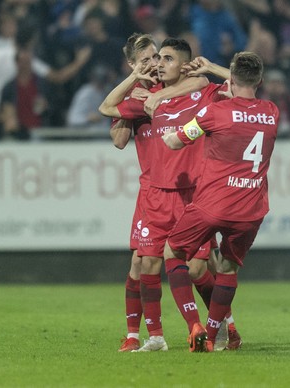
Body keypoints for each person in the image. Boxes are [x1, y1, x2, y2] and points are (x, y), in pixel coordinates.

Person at [100, 37, 239, 352]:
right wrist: (137, 85)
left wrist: (162, 91)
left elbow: (210, 81)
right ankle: (148, 336)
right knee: (142, 264)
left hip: (194, 190)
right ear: (134, 64)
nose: (155, 64)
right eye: (148, 59)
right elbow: (118, 137)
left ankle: (223, 324)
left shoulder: (191, 91)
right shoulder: (139, 96)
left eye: (159, 57)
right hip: (153, 190)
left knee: (198, 268)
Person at [163, 51, 279, 352]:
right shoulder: (272, 112)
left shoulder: (217, 111)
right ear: (261, 81)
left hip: (213, 204)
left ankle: (194, 324)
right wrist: (218, 71)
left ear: (231, 78)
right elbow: (244, 87)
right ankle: (214, 337)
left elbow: (176, 141)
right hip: (250, 210)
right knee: (227, 269)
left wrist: (167, 130)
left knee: (173, 252)